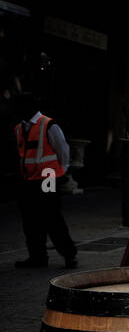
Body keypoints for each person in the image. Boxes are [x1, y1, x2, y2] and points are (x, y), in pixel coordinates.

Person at [11, 92, 77, 269]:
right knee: (30, 220)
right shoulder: (19, 128)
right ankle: (37, 256)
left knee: (52, 218)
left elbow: (63, 150)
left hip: (47, 178)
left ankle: (69, 255)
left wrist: (60, 172)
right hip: (28, 180)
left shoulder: (48, 124)